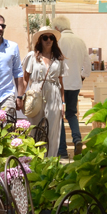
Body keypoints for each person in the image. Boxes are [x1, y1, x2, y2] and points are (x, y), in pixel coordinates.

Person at [23, 26, 68, 158]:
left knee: (52, 129)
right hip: (36, 92)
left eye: (51, 37)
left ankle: (50, 161)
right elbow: (25, 79)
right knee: (34, 128)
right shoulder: (32, 56)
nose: (48, 40)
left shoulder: (59, 59)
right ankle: (33, 160)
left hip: (54, 93)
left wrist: (63, 102)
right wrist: (23, 96)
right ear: (40, 40)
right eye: (45, 37)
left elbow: (61, 83)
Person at [54, 16, 89, 158]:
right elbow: (87, 63)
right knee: (71, 114)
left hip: (59, 84)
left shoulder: (58, 40)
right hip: (75, 83)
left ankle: (62, 151)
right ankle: (77, 139)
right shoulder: (80, 40)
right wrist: (81, 76)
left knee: (59, 116)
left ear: (57, 28)